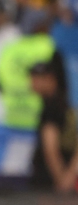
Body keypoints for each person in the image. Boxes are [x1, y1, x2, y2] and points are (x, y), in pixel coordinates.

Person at [30, 62, 78, 192]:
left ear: (51, 79)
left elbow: (51, 150)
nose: (31, 82)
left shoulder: (52, 109)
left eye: (36, 78)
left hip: (50, 186)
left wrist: (63, 182)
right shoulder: (63, 106)